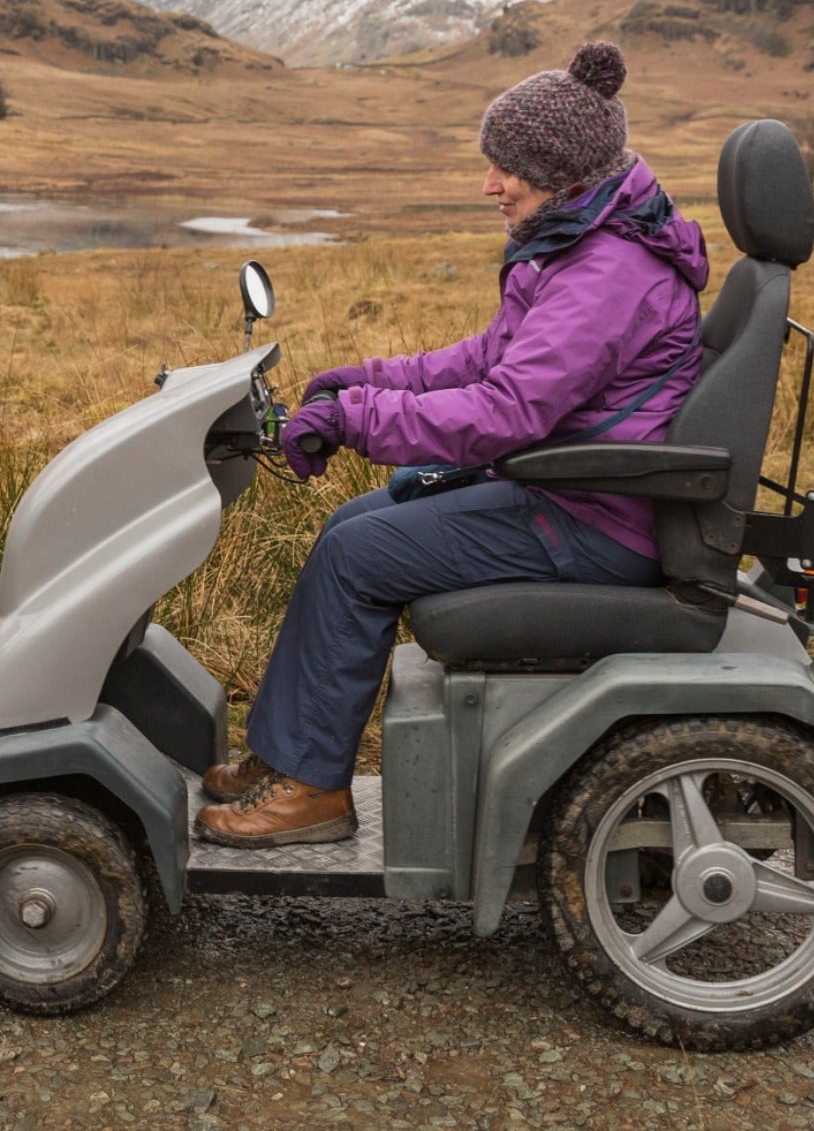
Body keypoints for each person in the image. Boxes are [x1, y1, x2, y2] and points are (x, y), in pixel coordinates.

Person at [196, 42, 709, 847]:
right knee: (348, 529)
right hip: (570, 493)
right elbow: (486, 359)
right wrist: (365, 378)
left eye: (508, 169)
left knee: (358, 557)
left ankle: (317, 795)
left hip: (593, 519)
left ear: (566, 175)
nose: (490, 185)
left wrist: (358, 419)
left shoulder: (608, 272)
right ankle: (289, 755)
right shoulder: (579, 246)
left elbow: (506, 409)